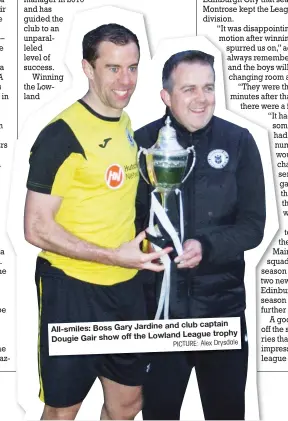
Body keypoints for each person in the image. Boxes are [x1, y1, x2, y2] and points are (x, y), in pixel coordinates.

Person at [24, 24, 171, 421]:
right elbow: (35, 227)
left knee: (127, 404)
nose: (125, 81)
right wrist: (112, 256)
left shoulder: (125, 125)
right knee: (63, 409)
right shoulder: (61, 135)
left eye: (133, 68)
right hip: (73, 291)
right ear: (88, 69)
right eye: (113, 68)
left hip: (126, 289)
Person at [134, 50, 266, 420]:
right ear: (166, 96)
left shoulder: (238, 141)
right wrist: (148, 248)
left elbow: (253, 225)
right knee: (158, 414)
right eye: (189, 88)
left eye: (208, 87)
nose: (202, 97)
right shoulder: (141, 144)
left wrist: (206, 246)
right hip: (158, 316)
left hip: (221, 314)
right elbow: (128, 223)